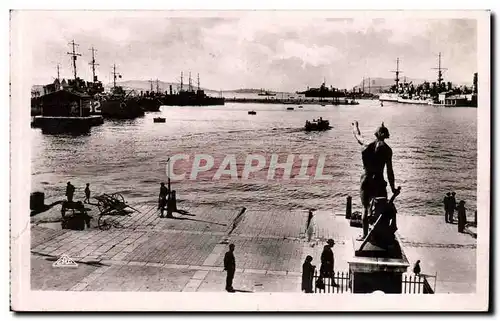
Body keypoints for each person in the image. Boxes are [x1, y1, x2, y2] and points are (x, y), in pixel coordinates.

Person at [352, 121, 398, 240]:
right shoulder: (387, 150)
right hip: (378, 179)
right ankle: (381, 231)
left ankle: (365, 234)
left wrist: (355, 125)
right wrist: (393, 188)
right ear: (385, 135)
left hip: (366, 178)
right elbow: (389, 171)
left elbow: (357, 135)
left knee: (365, 207)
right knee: (382, 206)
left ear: (376, 134)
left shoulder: (367, 144)